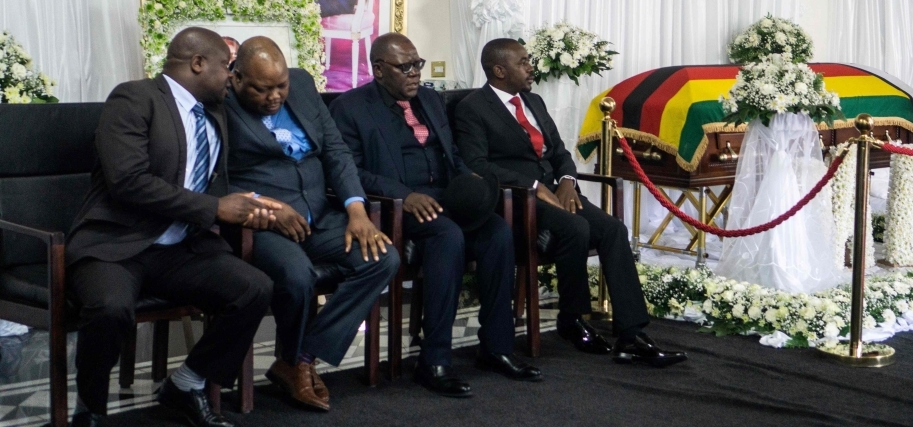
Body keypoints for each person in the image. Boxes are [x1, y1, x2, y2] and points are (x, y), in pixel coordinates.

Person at [65, 28, 281, 427]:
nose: (232, 78)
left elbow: (211, 180)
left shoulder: (214, 111)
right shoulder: (133, 99)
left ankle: (186, 383)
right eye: (227, 68)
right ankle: (90, 408)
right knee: (110, 309)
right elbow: (127, 181)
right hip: (116, 243)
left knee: (254, 288)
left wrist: (250, 208)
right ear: (198, 63)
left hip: (181, 247)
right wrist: (215, 208)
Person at [330, 33, 541, 398]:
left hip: (443, 196)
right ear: (378, 69)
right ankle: (435, 359)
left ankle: (496, 347)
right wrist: (404, 195)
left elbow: (453, 155)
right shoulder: (351, 108)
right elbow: (349, 171)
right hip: (394, 204)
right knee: (447, 235)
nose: (415, 73)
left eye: (418, 64)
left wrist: (470, 183)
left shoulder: (429, 98)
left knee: (496, 231)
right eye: (405, 67)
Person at [453, 39, 687, 368]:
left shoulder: (532, 100)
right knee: (575, 227)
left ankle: (631, 334)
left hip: (555, 190)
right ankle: (571, 319)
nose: (530, 66)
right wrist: (533, 186)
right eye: (523, 62)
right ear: (499, 70)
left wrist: (567, 182)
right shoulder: (473, 108)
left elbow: (560, 152)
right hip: (514, 200)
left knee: (612, 230)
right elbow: (477, 164)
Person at [225, 37, 399, 411]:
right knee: (297, 276)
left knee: (382, 258)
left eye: (280, 85)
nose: (275, 96)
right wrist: (266, 210)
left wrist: (356, 210)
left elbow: (335, 151)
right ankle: (297, 363)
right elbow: (215, 177)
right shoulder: (218, 102)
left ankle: (299, 359)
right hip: (263, 224)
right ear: (236, 78)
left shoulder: (302, 84)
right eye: (262, 88)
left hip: (319, 216)